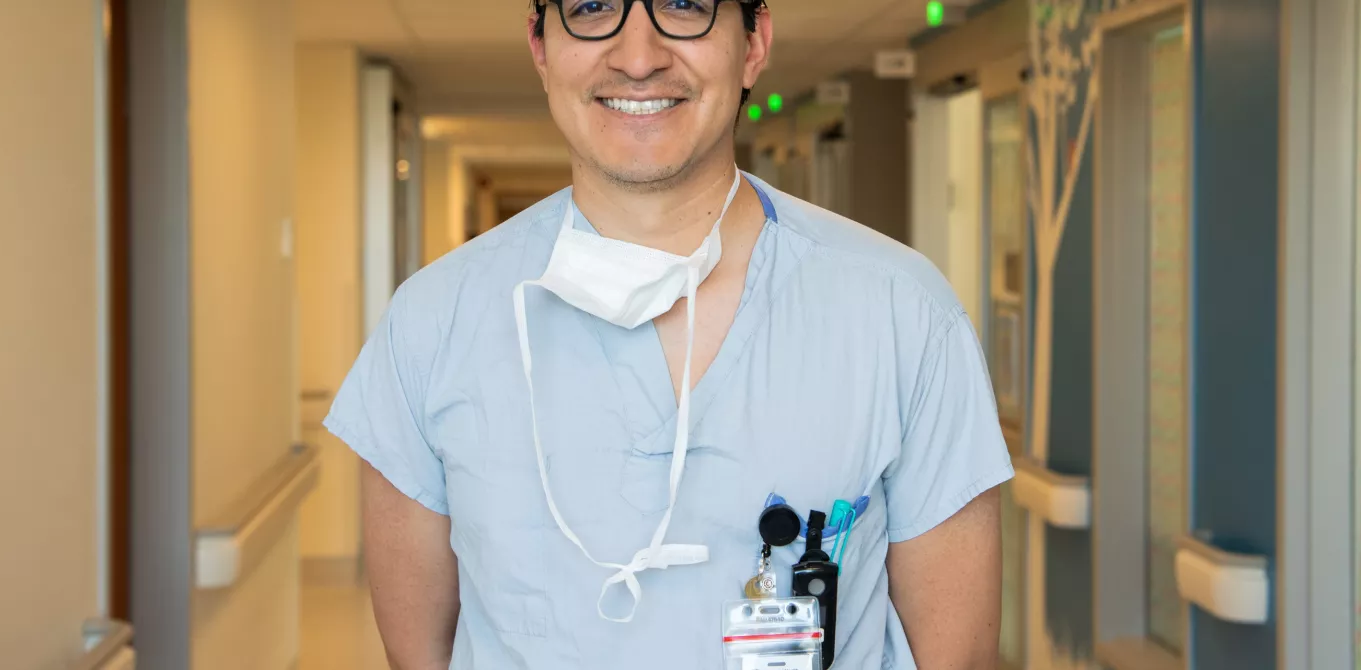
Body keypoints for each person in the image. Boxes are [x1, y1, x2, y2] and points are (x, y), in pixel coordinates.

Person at [323, 0, 1013, 667]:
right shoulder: (431, 327)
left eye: (684, 4)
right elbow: (421, 655)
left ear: (754, 43)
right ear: (540, 46)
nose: (639, 56)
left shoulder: (903, 315)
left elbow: (956, 656)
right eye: (592, 7)